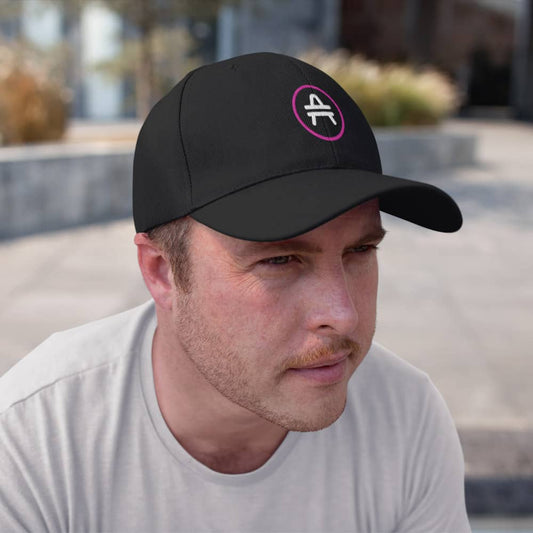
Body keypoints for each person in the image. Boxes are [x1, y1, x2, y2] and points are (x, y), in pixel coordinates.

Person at [0, 52, 470, 532]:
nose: (343, 315)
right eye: (280, 260)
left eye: (360, 250)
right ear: (161, 271)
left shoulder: (406, 417)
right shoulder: (33, 438)